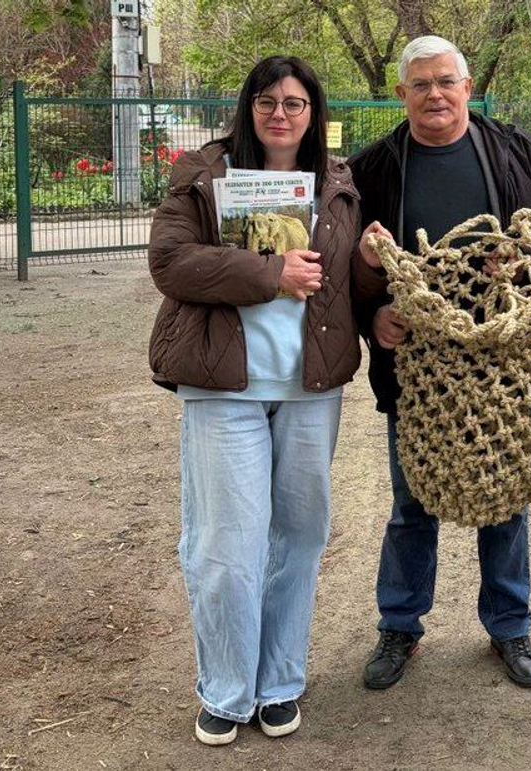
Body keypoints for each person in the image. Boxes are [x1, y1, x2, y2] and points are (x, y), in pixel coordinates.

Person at [146, 55, 365, 746]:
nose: (281, 113)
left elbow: (343, 280)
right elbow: (170, 263)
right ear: (248, 107)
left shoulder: (337, 184)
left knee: (297, 537)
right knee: (226, 543)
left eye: (295, 103)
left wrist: (371, 257)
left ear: (313, 113)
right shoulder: (205, 176)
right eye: (268, 101)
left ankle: (278, 682)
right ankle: (226, 688)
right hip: (224, 383)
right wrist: (269, 272)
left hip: (309, 386)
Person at [349, 34, 531, 690]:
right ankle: (400, 624)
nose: (435, 95)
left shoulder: (516, 151)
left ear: (468, 87)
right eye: (420, 84)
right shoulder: (373, 168)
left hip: (502, 359)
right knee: (411, 500)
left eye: (446, 82)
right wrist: (373, 317)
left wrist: (526, 254)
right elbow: (348, 267)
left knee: (504, 498)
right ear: (401, 95)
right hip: (415, 367)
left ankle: (509, 624)